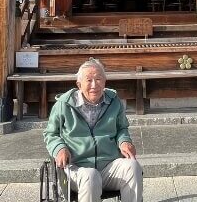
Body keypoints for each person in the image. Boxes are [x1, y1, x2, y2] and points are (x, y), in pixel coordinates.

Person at [44, 59, 143, 202]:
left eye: (98, 79)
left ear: (104, 82)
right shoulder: (63, 105)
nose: (94, 85)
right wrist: (59, 148)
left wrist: (124, 141)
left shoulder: (114, 101)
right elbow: (50, 133)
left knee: (132, 166)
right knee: (91, 176)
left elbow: (122, 128)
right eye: (89, 80)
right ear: (79, 84)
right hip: (77, 168)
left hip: (109, 165)